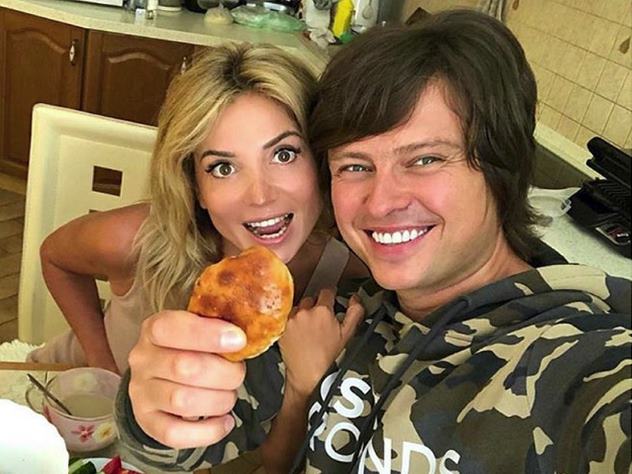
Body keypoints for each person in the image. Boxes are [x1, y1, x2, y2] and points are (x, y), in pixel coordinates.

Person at [115, 9, 632, 474]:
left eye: (425, 159)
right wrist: (151, 409)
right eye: (356, 166)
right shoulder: (335, 320)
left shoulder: (577, 361)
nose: (381, 203)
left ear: (502, 168)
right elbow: (176, 450)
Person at [27, 42, 367, 376]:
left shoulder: (355, 280)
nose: (261, 196)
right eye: (223, 168)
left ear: (321, 160)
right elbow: (55, 258)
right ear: (195, 187)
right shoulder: (138, 240)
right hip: (57, 387)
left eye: (284, 154)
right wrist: (102, 365)